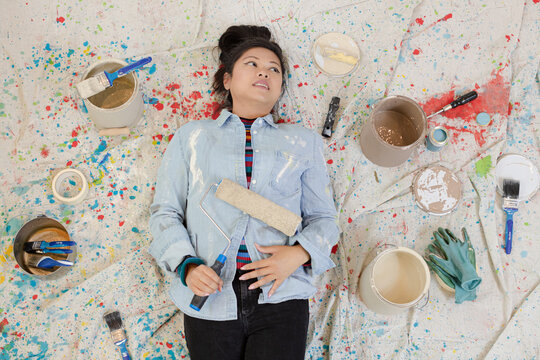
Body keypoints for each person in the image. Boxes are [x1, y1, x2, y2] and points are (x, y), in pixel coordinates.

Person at [149, 25, 339, 360]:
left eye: (274, 69)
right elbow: (165, 212)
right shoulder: (192, 138)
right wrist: (187, 265)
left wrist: (298, 254)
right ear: (227, 80)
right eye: (252, 63)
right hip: (209, 295)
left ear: (280, 87)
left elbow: (324, 219)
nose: (264, 71)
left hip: (281, 293)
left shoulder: (303, 142)